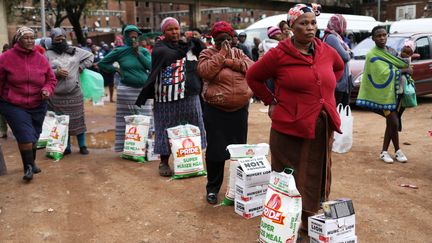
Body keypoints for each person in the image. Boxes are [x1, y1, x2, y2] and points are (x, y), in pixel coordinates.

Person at [246, 3, 344, 237]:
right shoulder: (279, 54)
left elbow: (339, 69)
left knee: (315, 173)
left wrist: (324, 96)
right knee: (290, 175)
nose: (310, 28)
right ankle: (288, 222)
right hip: (290, 127)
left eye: (313, 23)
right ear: (292, 26)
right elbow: (253, 77)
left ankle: (309, 219)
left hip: (320, 126)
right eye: (303, 24)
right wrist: (271, 100)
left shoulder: (325, 51)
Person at [135, 17, 206, 177]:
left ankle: (193, 158)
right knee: (165, 128)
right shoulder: (160, 49)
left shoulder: (185, 46)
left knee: (194, 126)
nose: (174, 32)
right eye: (170, 29)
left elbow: (202, 52)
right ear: (163, 32)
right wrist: (189, 44)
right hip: (167, 98)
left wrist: (195, 43)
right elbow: (172, 55)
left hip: (189, 95)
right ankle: (164, 162)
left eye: (176, 28)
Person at [197, 21, 254, 205]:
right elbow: (205, 72)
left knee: (239, 152)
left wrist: (229, 61)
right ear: (214, 40)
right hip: (216, 111)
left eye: (227, 38)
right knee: (215, 151)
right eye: (220, 39)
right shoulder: (207, 53)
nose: (225, 42)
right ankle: (213, 188)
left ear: (232, 38)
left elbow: (252, 68)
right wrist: (221, 54)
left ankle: (237, 188)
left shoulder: (239, 52)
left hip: (239, 111)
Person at [0, 26, 57, 181]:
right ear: (18, 39)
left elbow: (51, 79)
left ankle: (31, 162)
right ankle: (28, 168)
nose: (30, 40)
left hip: (38, 103)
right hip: (14, 104)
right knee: (25, 135)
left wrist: (46, 90)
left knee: (34, 135)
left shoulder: (41, 58)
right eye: (26, 37)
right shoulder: (6, 58)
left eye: (32, 37)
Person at [356, 26, 412, 164]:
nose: (382, 38)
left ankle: (384, 152)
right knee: (393, 121)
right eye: (378, 36)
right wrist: (404, 70)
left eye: (384, 35)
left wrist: (406, 58)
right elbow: (381, 74)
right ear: (373, 38)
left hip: (397, 92)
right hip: (382, 95)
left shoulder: (391, 51)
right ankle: (398, 150)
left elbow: (400, 63)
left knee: (391, 123)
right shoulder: (372, 55)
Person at [98, 25, 153, 152]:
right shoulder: (119, 51)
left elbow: (150, 66)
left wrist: (138, 53)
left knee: (146, 119)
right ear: (125, 36)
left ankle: (145, 148)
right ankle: (128, 148)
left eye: (136, 36)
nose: (134, 38)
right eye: (131, 36)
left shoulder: (143, 51)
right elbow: (102, 63)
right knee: (126, 120)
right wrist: (116, 70)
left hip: (143, 91)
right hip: (126, 91)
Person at [45, 27, 94, 155]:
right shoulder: (47, 54)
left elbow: (90, 56)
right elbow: (43, 71)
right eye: (57, 38)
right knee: (62, 122)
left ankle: (82, 146)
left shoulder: (74, 51)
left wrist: (81, 67)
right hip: (57, 96)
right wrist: (56, 72)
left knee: (78, 119)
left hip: (75, 93)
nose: (61, 40)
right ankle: (66, 146)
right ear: (52, 40)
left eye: (63, 38)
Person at [323, 14, 354, 106]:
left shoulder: (337, 37)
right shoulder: (331, 38)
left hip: (341, 79)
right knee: (338, 108)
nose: (344, 28)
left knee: (342, 109)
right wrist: (349, 53)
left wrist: (348, 53)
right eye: (343, 24)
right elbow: (345, 56)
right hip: (338, 80)